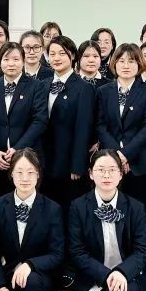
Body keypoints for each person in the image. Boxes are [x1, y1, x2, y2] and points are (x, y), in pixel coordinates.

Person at [69, 150, 146, 291]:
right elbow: (77, 252)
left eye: (112, 170)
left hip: (127, 275)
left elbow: (142, 250)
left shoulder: (135, 207)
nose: (106, 175)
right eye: (100, 170)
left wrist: (121, 272)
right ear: (91, 174)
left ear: (121, 174)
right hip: (94, 277)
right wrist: (106, 275)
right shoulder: (78, 207)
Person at [0, 149, 64, 291]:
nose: (24, 178)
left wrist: (30, 264)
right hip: (8, 277)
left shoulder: (52, 209)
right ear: (11, 174)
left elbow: (57, 253)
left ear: (38, 175)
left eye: (30, 172)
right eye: (19, 172)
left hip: (38, 277)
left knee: (31, 282)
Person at [0, 42, 49, 197]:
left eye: (16, 59)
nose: (11, 63)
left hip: (28, 158)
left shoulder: (36, 86)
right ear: (0, 62)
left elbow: (40, 121)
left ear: (23, 61)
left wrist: (18, 148)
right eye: (6, 59)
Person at [95, 43, 146, 202]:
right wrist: (117, 155)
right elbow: (100, 126)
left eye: (131, 61)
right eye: (121, 61)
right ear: (114, 63)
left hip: (141, 162)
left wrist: (126, 154)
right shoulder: (103, 91)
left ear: (139, 64)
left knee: (140, 208)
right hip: (110, 161)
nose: (126, 66)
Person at [42, 35, 96, 208]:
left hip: (68, 163)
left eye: (61, 53)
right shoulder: (42, 84)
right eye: (52, 54)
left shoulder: (84, 88)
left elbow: (83, 129)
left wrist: (77, 165)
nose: (56, 58)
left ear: (72, 55)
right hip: (43, 161)